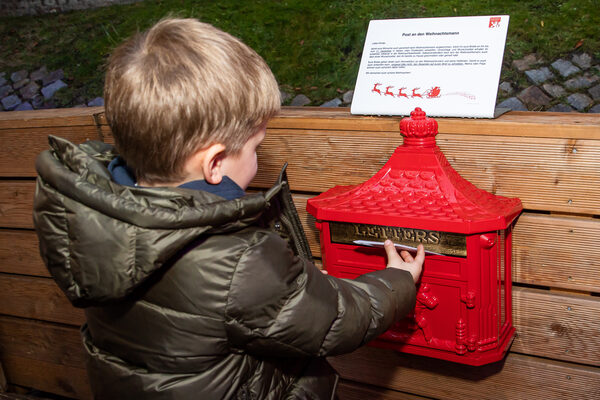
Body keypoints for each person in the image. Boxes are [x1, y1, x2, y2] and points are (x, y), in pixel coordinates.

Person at [33, 18, 424, 399]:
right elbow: (338, 319)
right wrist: (398, 280)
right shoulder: (237, 258)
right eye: (255, 149)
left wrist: (287, 283)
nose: (257, 160)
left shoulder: (99, 215)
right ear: (215, 163)